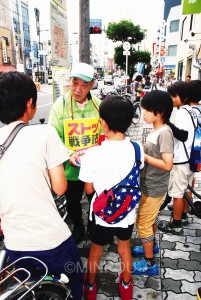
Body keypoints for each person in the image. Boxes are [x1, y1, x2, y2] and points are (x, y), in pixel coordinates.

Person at [0, 71, 84, 299]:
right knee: (76, 281)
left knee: (29, 291)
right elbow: (59, 188)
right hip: (51, 240)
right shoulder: (44, 133)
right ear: (30, 103)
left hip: (15, 243)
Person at [79, 95, 144, 300]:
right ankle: (126, 284)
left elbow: (89, 189)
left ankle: (90, 286)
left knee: (96, 250)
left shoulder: (93, 154)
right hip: (126, 213)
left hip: (101, 215)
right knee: (125, 248)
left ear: (103, 123)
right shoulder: (137, 149)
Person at [48, 62, 102, 245]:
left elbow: (104, 134)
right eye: (74, 83)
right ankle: (78, 226)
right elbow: (53, 136)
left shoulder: (98, 105)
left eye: (84, 85)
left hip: (94, 169)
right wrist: (69, 153)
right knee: (72, 203)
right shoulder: (59, 106)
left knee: (96, 199)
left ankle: (96, 227)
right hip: (71, 170)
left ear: (92, 85)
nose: (78, 89)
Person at [131, 90, 174, 276]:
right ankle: (152, 246)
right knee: (150, 219)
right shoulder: (156, 130)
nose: (144, 114)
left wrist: (144, 157)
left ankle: (150, 264)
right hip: (148, 184)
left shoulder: (164, 133)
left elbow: (168, 164)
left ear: (160, 112)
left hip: (154, 187)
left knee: (143, 224)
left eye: (147, 110)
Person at [158, 80, 196, 235]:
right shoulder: (192, 110)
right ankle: (184, 215)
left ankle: (176, 224)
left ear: (183, 96)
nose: (171, 99)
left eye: (173, 96)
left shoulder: (181, 112)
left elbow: (182, 135)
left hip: (181, 160)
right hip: (190, 158)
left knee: (177, 194)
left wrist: (166, 123)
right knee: (186, 188)